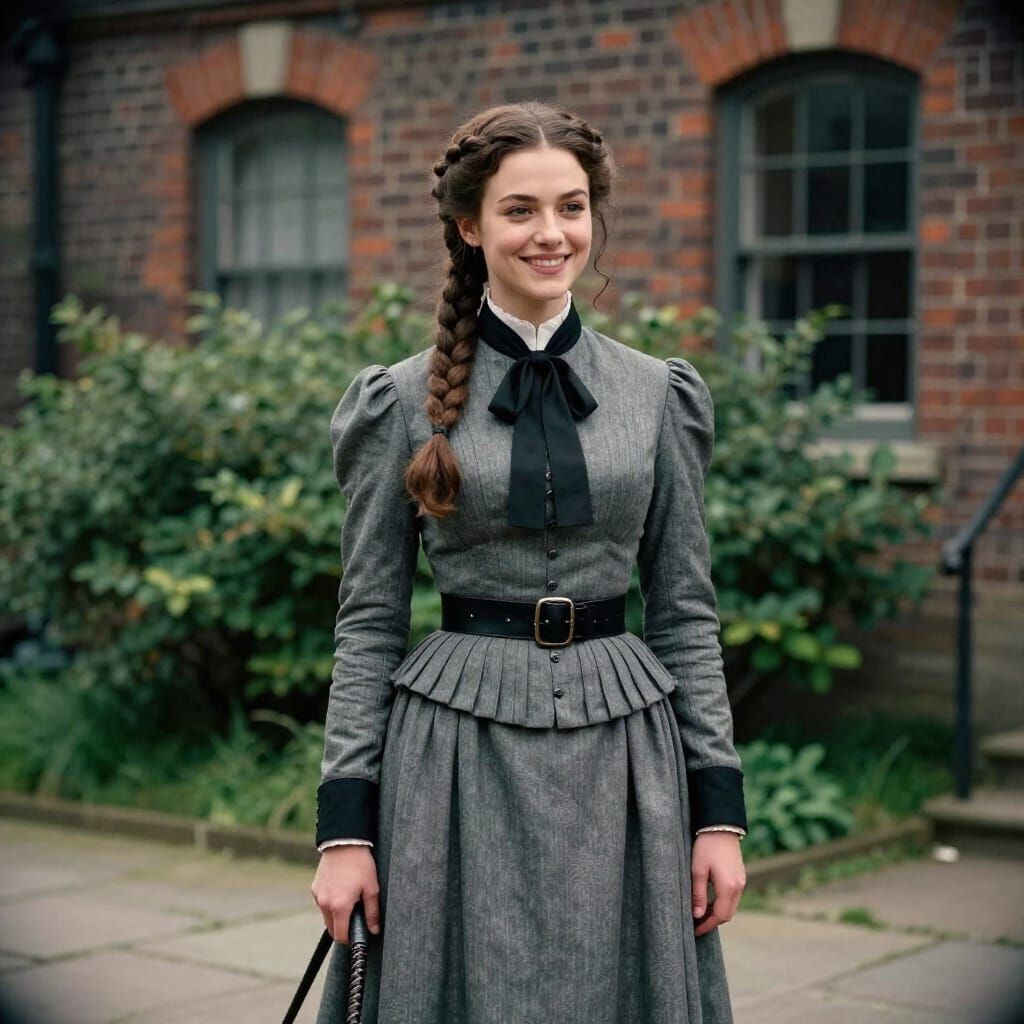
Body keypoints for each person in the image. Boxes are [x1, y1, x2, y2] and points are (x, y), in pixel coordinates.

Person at [311, 100, 748, 1024]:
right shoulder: (395, 404)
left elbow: (684, 611)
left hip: (624, 750)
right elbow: (369, 620)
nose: (552, 234)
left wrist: (719, 816)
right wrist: (343, 830)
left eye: (573, 206)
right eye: (520, 210)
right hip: (452, 758)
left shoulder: (659, 394)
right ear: (470, 227)